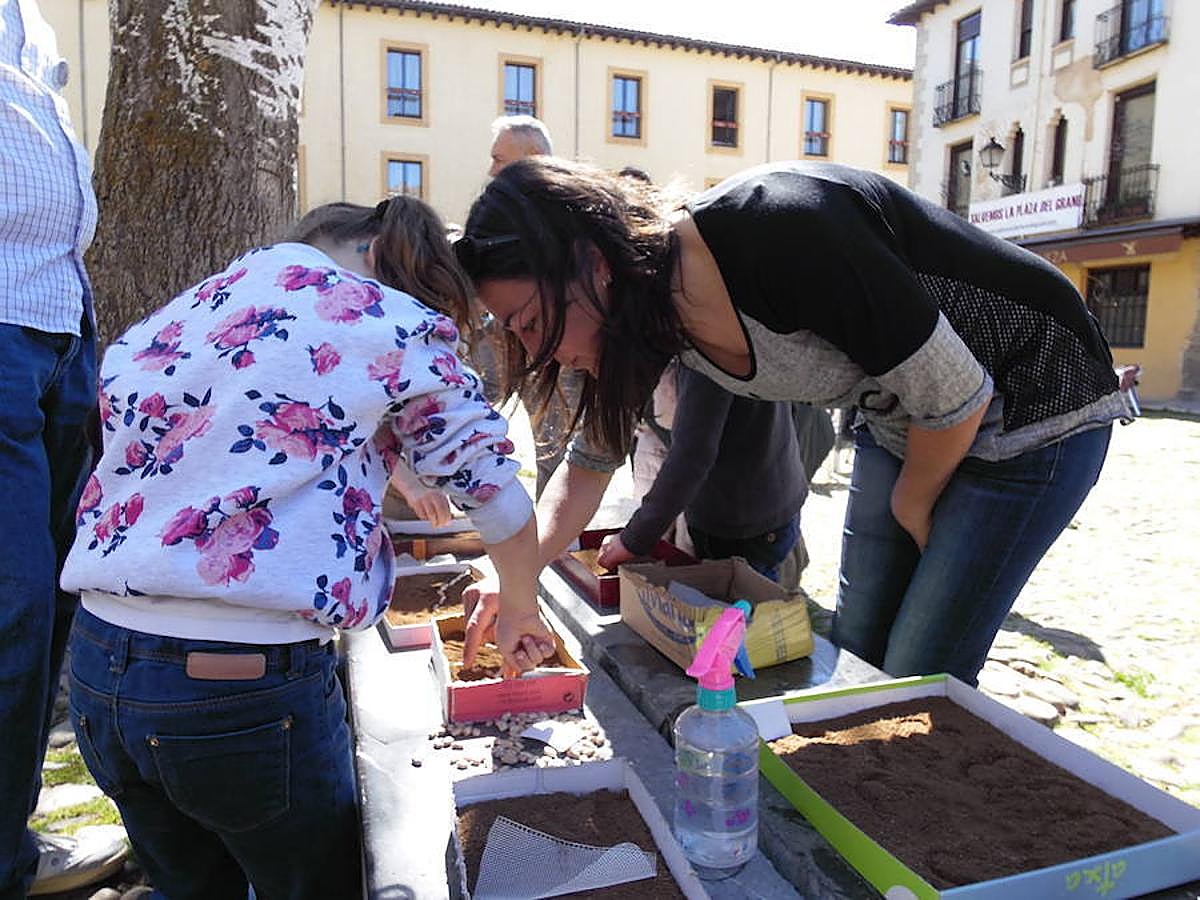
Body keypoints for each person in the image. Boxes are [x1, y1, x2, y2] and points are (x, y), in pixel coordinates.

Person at [454, 157, 1132, 687]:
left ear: (595, 268)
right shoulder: (644, 319)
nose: (553, 355)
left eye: (535, 324)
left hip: (1036, 399)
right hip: (908, 418)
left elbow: (958, 395)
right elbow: (585, 470)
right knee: (859, 650)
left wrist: (914, 499)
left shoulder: (781, 229)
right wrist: (511, 580)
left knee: (922, 666)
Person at [58, 196, 553, 899]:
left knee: (189, 886)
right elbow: (494, 490)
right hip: (242, 686)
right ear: (387, 261)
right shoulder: (383, 318)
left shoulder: (192, 309)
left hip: (100, 666)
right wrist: (520, 606)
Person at [0, 2, 132, 895]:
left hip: (58, 333)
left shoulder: (34, 24)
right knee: (9, 606)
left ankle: (7, 844)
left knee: (39, 608)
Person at [596, 364, 805, 584]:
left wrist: (632, 540)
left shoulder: (704, 352)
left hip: (749, 523)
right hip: (737, 507)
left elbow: (692, 455)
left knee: (749, 607)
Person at [482, 115, 584, 498]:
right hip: (513, 344)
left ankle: (554, 543)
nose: (491, 171)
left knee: (556, 451)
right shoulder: (510, 214)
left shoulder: (567, 211)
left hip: (561, 354)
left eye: (499, 160)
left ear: (535, 156)